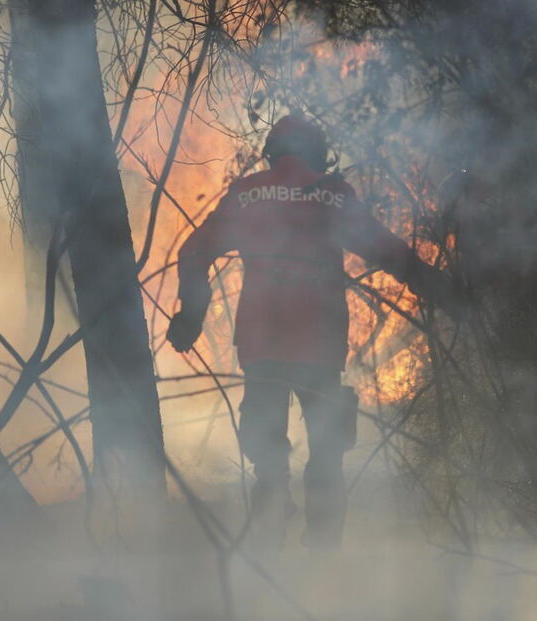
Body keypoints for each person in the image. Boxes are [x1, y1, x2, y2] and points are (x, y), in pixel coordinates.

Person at [167, 114, 459, 548]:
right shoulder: (332, 194)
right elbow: (382, 247)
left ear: (272, 152)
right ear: (318, 153)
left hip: (260, 338)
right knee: (327, 447)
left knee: (265, 445)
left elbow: (194, 251)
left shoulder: (246, 194)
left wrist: (192, 310)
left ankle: (268, 531)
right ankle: (320, 550)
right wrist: (430, 282)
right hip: (317, 340)